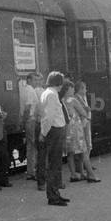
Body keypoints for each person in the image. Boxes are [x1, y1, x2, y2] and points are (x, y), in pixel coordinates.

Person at [40, 72, 69, 206]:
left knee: (55, 164)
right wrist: (44, 133)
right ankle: (53, 196)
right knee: (54, 165)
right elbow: (49, 117)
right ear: (59, 82)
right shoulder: (52, 94)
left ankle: (55, 193)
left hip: (55, 131)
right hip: (55, 131)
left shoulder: (48, 92)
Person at [74, 80, 100, 182]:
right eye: (84, 88)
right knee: (85, 147)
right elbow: (83, 111)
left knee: (86, 146)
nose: (86, 90)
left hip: (86, 123)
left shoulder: (82, 97)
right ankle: (85, 172)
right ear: (80, 89)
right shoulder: (77, 98)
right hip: (83, 125)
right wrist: (87, 109)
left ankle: (82, 171)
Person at [20, 73, 40, 181]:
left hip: (29, 120)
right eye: (34, 80)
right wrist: (26, 120)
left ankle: (30, 171)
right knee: (33, 146)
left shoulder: (24, 89)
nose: (36, 82)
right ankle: (33, 172)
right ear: (29, 80)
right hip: (31, 120)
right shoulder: (30, 90)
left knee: (30, 146)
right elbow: (27, 108)